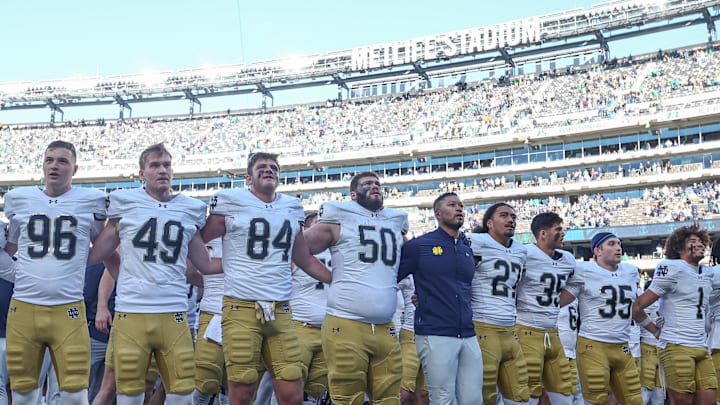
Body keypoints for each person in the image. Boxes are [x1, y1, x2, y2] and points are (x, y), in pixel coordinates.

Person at [88, 142, 221, 405]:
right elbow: (97, 253)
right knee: (129, 395)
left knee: (183, 394)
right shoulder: (125, 202)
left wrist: (249, 261)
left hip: (174, 314)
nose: (162, 170)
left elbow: (204, 265)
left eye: (167, 165)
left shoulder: (189, 208)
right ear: (142, 174)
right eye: (155, 165)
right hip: (132, 314)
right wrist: (119, 272)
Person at [200, 152, 331, 405]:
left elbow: (302, 257)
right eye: (262, 166)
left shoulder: (291, 206)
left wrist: (335, 278)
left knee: (292, 389)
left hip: (280, 309)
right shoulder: (231, 202)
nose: (269, 169)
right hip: (241, 306)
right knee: (242, 391)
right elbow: (199, 239)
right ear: (249, 177)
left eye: (273, 167)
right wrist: (204, 265)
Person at [1, 140, 107, 405]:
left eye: (62, 161)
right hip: (25, 308)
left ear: (75, 168)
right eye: (49, 160)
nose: (54, 166)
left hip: (68, 310)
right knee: (24, 394)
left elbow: (106, 247)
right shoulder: (19, 199)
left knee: (74, 394)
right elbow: (12, 247)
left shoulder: (89, 201)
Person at [304, 171, 408, 405]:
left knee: (389, 399)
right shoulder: (340, 215)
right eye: (367, 184)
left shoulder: (395, 220)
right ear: (352, 195)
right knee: (347, 399)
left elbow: (407, 260)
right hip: (346, 321)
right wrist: (330, 276)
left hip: (385, 326)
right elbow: (299, 248)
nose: (375, 187)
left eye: (378, 183)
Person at [397, 192, 482, 405]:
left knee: (472, 399)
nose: (459, 209)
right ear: (437, 213)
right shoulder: (420, 246)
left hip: (468, 333)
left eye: (461, 205)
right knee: (443, 399)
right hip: (435, 332)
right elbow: (392, 278)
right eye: (452, 205)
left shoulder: (466, 249)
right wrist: (420, 297)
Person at [632, 224, 718, 405]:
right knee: (682, 400)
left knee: (709, 400)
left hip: (701, 346)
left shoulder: (709, 273)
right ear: (678, 248)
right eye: (692, 241)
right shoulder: (672, 267)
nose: (699, 244)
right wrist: (655, 330)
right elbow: (637, 307)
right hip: (676, 344)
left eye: (701, 241)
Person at [560, 232, 642, 405]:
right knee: (596, 400)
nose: (618, 247)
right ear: (597, 250)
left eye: (619, 243)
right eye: (611, 244)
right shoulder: (583, 270)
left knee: (635, 400)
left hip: (622, 345)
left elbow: (636, 309)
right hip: (593, 344)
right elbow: (560, 301)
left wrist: (655, 329)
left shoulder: (630, 271)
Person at [467, 202, 529, 405]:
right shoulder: (475, 241)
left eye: (513, 216)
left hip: (511, 330)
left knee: (520, 396)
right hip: (483, 326)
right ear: (489, 223)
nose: (510, 219)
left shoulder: (520, 250)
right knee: (485, 396)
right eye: (504, 215)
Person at [515, 212, 575, 405]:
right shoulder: (524, 254)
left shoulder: (567, 259)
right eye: (558, 229)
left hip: (553, 332)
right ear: (543, 233)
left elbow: (577, 285)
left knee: (565, 394)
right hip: (526, 330)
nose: (563, 234)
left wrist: (554, 304)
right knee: (528, 393)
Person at [290, 212, 331, 402]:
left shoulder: (340, 251)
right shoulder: (295, 254)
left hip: (328, 331)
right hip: (300, 325)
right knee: (290, 387)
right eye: (317, 224)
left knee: (316, 390)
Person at [193, 238, 230, 405]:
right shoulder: (206, 234)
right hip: (215, 311)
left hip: (248, 311)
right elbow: (188, 270)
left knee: (238, 382)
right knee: (205, 381)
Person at [636, 280, 664, 405]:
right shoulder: (661, 304)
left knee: (653, 392)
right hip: (654, 347)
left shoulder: (646, 303)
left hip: (652, 347)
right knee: (652, 393)